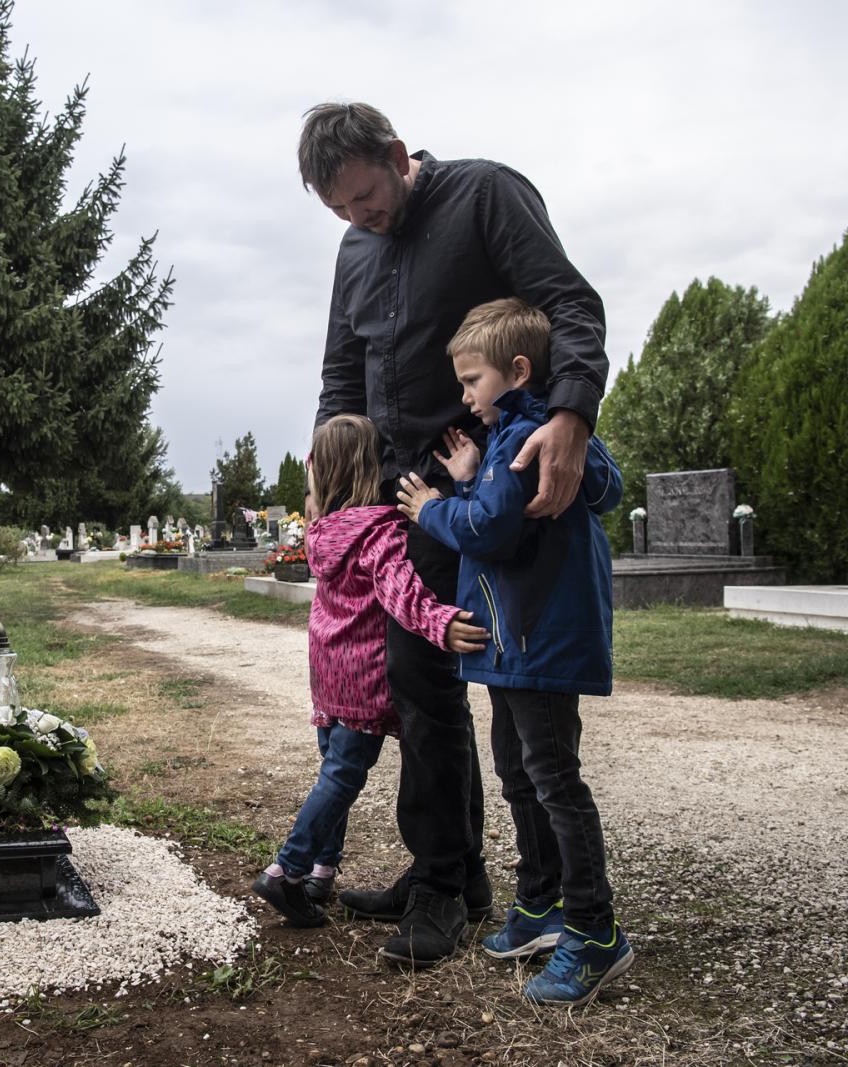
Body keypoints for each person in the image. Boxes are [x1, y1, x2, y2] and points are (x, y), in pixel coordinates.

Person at [300, 101, 610, 968]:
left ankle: (482, 885)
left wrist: (572, 414)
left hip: (481, 484)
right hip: (397, 498)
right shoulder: (354, 250)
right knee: (417, 681)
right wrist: (333, 483)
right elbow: (341, 372)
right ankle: (451, 874)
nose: (360, 219)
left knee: (481, 686)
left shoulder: (483, 197)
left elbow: (568, 305)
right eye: (341, 212)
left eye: (366, 197)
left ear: (398, 156)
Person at [397, 297, 630, 1005]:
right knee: (519, 771)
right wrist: (472, 473)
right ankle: (540, 904)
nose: (465, 396)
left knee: (553, 777)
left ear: (518, 370)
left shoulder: (529, 433)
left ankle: (594, 932)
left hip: (535, 639)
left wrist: (432, 507)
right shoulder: (521, 437)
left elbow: (492, 528)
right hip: (516, 641)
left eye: (472, 381)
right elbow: (515, 502)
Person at [251, 414, 490, 928]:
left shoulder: (320, 532)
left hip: (327, 670)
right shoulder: (379, 532)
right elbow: (402, 592)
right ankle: (286, 870)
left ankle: (321, 869)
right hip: (363, 674)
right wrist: (441, 622)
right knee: (343, 775)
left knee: (331, 771)